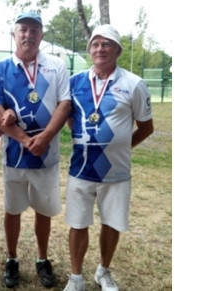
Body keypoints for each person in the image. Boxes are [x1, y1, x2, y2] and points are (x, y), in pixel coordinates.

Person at [62, 24, 154, 291]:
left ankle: (103, 271)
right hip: (80, 169)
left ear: (117, 50)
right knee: (78, 223)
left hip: (116, 172)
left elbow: (146, 127)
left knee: (111, 222)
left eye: (106, 44)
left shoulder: (134, 84)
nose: (100, 49)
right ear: (90, 50)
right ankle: (76, 277)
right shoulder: (75, 82)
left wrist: (121, 148)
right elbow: (69, 118)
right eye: (95, 44)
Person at [0, 11, 71, 289]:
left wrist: (46, 137)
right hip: (15, 155)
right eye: (23, 29)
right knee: (12, 210)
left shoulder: (56, 65)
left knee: (43, 210)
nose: (29, 34)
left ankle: (42, 258)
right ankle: (11, 258)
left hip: (46, 155)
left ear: (42, 35)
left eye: (35, 29)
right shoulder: (1, 67)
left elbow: (64, 104)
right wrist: (26, 140)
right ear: (14, 34)